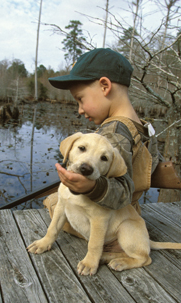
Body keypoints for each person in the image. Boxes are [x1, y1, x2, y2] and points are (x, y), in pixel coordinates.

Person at [45, 48, 162, 220]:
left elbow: (123, 190)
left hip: (108, 221)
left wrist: (91, 187)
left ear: (105, 86)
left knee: (53, 202)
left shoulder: (113, 132)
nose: (80, 110)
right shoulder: (142, 126)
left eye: (80, 99)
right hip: (129, 215)